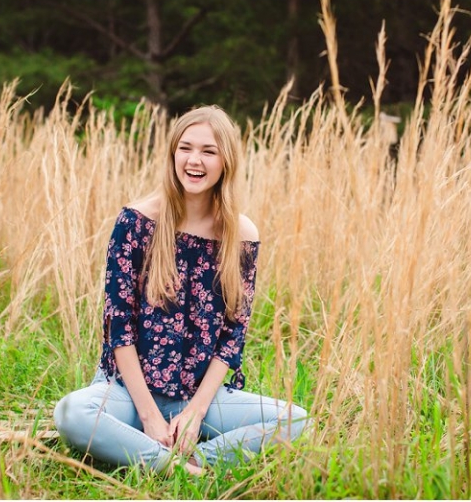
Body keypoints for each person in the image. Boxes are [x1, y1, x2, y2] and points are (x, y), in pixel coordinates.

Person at [53, 105, 308, 475]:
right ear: (173, 154)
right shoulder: (136, 222)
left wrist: (195, 413)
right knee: (72, 413)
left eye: (208, 151)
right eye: (185, 148)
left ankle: (199, 460)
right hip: (128, 393)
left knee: (297, 421)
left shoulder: (241, 235)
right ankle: (176, 468)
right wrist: (149, 416)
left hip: (199, 397)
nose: (194, 160)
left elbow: (233, 336)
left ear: (226, 161)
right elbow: (118, 328)